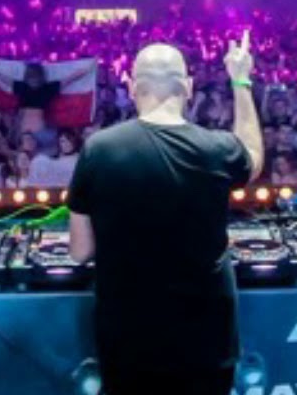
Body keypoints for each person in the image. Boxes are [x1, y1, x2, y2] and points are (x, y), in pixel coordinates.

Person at [67, 32, 264, 395]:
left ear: (131, 87)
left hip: (128, 339)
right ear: (188, 87)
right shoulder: (217, 148)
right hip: (206, 337)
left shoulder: (99, 149)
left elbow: (81, 251)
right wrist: (240, 80)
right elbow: (253, 156)